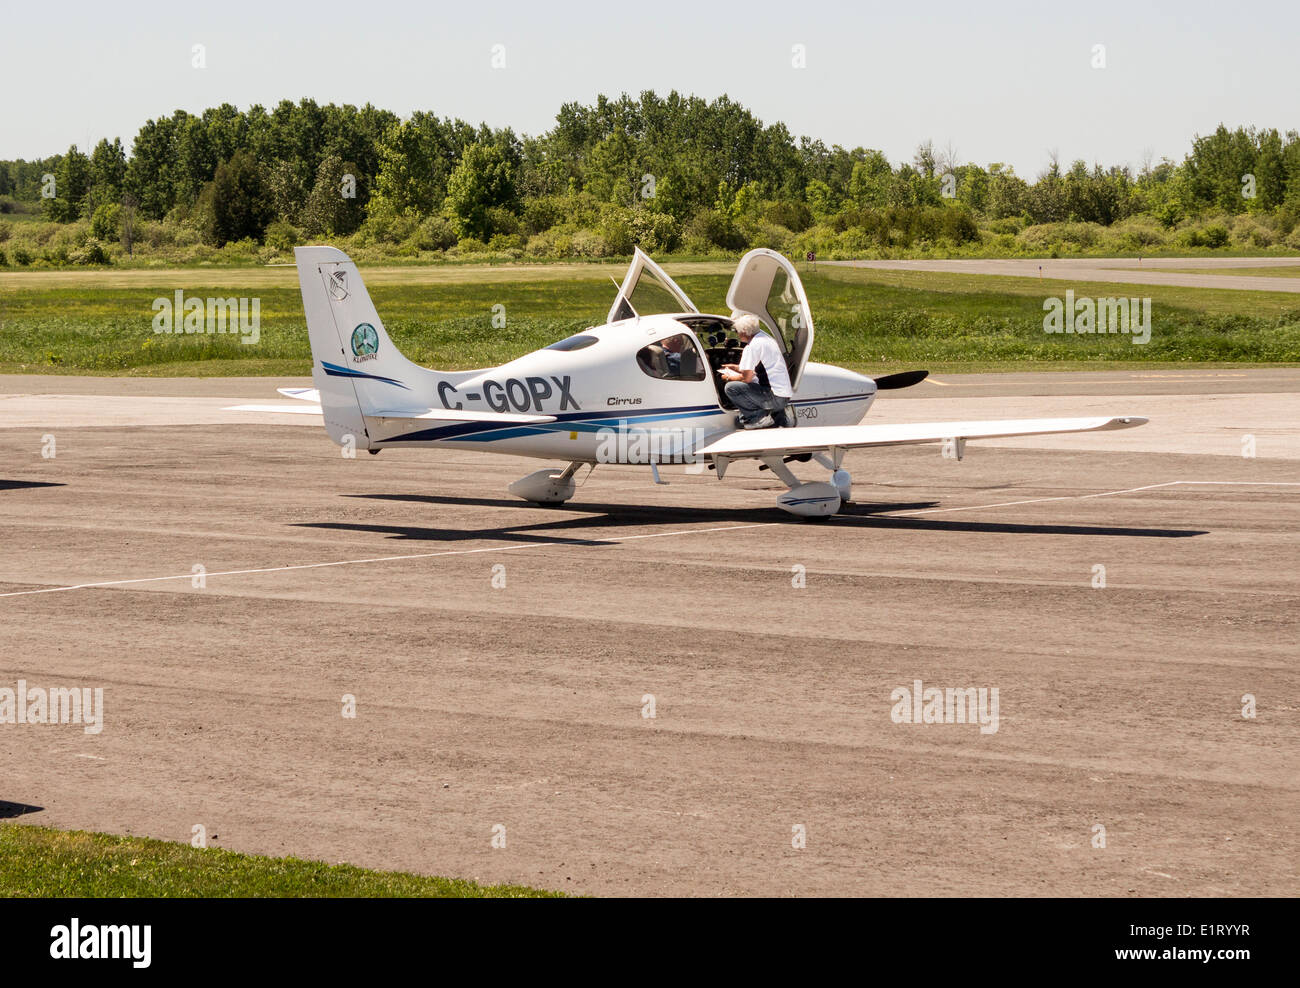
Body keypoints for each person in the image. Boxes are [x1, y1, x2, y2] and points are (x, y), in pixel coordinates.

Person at [719, 311, 793, 429]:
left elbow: (746, 378)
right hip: (784, 396)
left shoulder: (752, 347)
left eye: (738, 331)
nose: (737, 334)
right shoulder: (767, 340)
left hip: (773, 397)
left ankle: (758, 418)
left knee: (731, 388)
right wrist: (735, 367)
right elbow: (757, 367)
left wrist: (727, 376)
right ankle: (778, 418)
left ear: (744, 332)